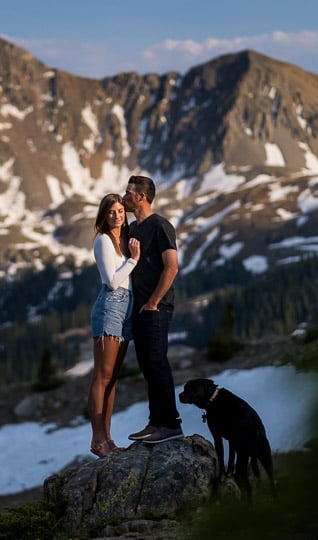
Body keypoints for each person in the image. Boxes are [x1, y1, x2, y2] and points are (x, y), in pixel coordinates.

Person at [122, 175, 183, 444]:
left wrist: (154, 301)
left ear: (141, 197)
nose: (124, 197)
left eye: (128, 194)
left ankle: (170, 424)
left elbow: (172, 266)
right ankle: (155, 422)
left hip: (156, 308)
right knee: (148, 366)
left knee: (157, 363)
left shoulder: (160, 226)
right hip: (140, 308)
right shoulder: (134, 228)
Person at [88, 193, 141, 458]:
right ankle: (97, 439)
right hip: (110, 305)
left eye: (120, 210)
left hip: (127, 307)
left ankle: (108, 438)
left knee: (113, 379)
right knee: (102, 376)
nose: (117, 215)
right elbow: (111, 281)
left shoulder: (125, 239)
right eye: (111, 212)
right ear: (104, 215)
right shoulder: (103, 240)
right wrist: (133, 260)